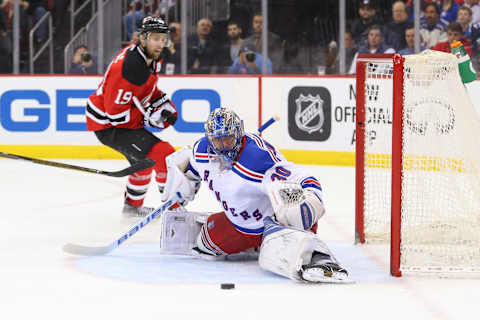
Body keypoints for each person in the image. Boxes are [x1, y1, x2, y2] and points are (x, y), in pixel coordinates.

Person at [159, 107, 351, 283]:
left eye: (228, 139)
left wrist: (310, 197)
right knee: (203, 245)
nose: (223, 145)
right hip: (239, 225)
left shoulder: (257, 159)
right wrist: (182, 187)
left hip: (271, 223)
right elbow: (188, 165)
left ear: (238, 133)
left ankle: (318, 256)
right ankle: (257, 246)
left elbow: (303, 177)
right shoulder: (202, 150)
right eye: (217, 140)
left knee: (293, 205)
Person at [86, 16, 177, 217]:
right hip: (108, 125)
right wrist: (148, 119)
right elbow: (115, 115)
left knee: (142, 163)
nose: (160, 44)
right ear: (142, 38)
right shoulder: (128, 69)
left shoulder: (149, 56)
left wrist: (161, 103)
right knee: (164, 154)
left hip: (116, 119)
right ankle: (174, 214)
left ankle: (131, 209)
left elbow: (146, 89)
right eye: (155, 38)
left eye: (163, 39)